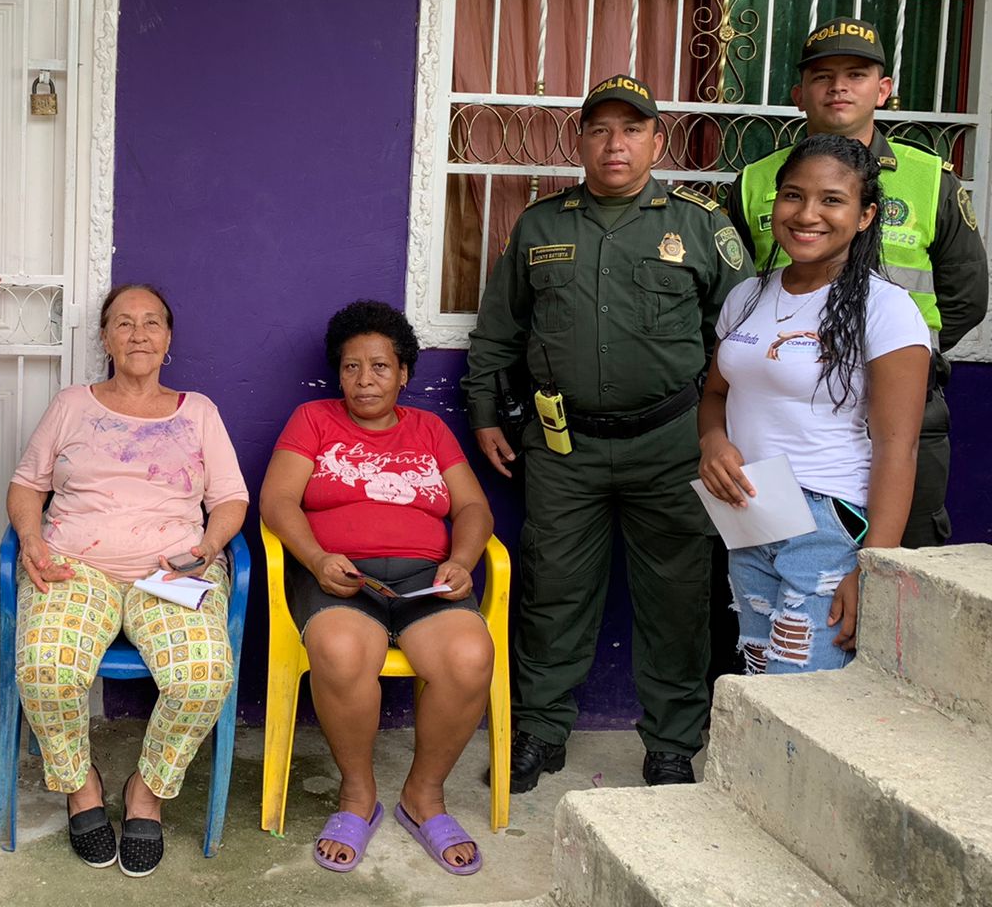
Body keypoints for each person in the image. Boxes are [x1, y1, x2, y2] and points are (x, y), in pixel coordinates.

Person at [462, 73, 748, 792]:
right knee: (552, 591)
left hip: (673, 442)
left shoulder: (702, 225)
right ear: (579, 140)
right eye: (599, 129)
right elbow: (499, 331)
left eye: (631, 129)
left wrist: (728, 434)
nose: (614, 143)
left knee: (679, 599)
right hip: (565, 448)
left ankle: (673, 742)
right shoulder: (541, 225)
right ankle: (540, 732)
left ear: (657, 140)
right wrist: (486, 413)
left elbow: (741, 337)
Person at [7, 284, 247, 878]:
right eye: (123, 323)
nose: (138, 334)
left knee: (204, 672)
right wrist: (32, 541)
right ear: (105, 338)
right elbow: (27, 486)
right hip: (73, 566)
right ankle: (79, 784)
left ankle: (148, 790)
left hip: (170, 570)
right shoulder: (71, 404)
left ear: (168, 338)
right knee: (44, 664)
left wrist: (208, 548)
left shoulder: (199, 411)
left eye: (151, 323)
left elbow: (231, 499)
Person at [726, 18, 986, 547]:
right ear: (799, 94)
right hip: (786, 416)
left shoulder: (929, 177)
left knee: (902, 574)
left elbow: (967, 293)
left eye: (857, 74)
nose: (839, 87)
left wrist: (897, 362)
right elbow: (731, 291)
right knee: (773, 569)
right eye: (823, 76)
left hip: (905, 410)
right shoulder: (757, 180)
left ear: (883, 90)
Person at [260, 300, 494, 876]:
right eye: (351, 367)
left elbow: (471, 507)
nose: (364, 380)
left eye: (380, 367)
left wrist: (462, 562)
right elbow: (276, 501)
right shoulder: (312, 420)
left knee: (469, 656)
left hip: (426, 579)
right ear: (337, 372)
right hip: (340, 575)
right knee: (341, 652)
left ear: (404, 373)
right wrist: (316, 559)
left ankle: (424, 797)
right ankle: (357, 796)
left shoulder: (430, 429)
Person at [701, 135, 929, 671]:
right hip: (750, 512)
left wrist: (875, 566)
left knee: (804, 692)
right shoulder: (747, 296)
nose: (807, 214)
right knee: (761, 681)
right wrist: (712, 441)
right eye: (793, 196)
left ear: (867, 214)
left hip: (830, 524)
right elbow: (715, 395)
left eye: (832, 200)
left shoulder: (887, 309)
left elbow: (900, 446)